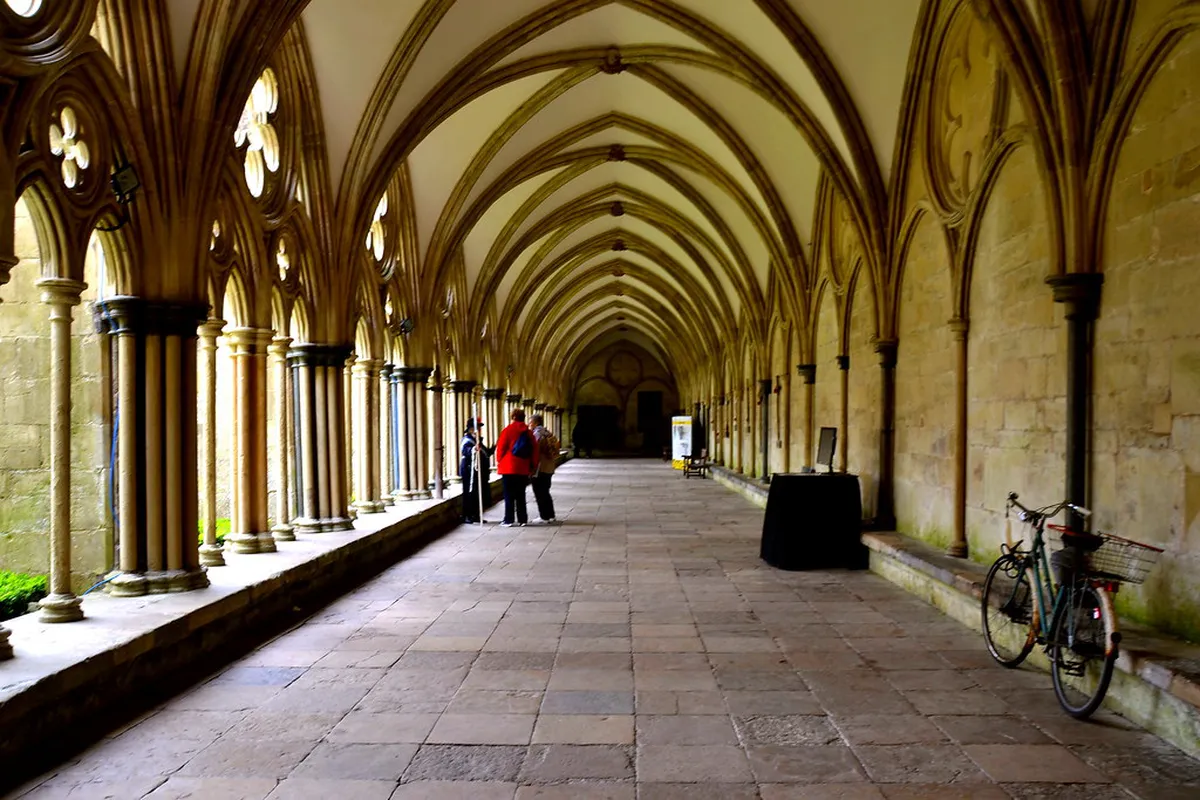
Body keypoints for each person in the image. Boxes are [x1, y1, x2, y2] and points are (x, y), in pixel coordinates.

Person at [495, 408, 534, 527]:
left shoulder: (507, 430)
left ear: (512, 417)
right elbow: (534, 450)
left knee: (509, 494)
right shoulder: (528, 432)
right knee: (521, 494)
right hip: (523, 467)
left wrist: (500, 460)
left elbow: (500, 448)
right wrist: (532, 465)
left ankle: (509, 519)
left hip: (508, 467)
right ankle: (522, 519)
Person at [529, 414, 560, 524]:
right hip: (549, 467)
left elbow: (534, 451)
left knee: (539, 492)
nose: (529, 424)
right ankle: (551, 515)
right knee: (546, 491)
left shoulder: (537, 434)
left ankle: (544, 516)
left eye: (531, 422)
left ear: (536, 423)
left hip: (540, 468)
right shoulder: (548, 432)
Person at [459, 418, 491, 523]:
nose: (479, 429)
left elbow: (485, 453)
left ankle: (475, 514)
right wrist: (473, 449)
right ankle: (467, 515)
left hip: (477, 470)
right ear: (471, 429)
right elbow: (466, 451)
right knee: (469, 492)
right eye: (477, 427)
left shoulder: (477, 440)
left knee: (477, 493)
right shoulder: (467, 439)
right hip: (469, 469)